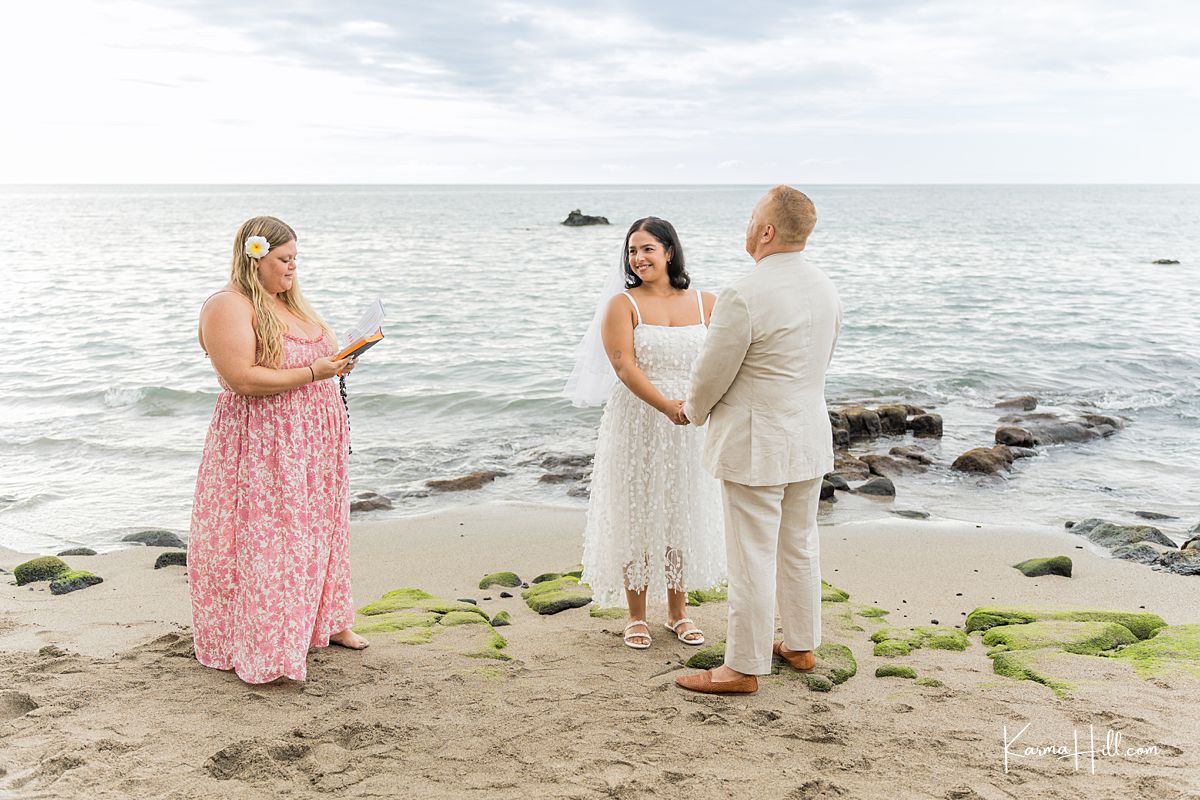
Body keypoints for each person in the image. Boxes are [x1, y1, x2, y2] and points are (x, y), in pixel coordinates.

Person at [675, 186, 842, 694]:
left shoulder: (744, 292)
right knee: (799, 545)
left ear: (766, 230)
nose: (747, 225)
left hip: (756, 443)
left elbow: (712, 372)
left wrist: (692, 410)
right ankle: (800, 642)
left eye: (752, 217)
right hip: (808, 435)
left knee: (751, 554)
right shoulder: (825, 286)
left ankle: (742, 668)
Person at [188, 215, 368, 685]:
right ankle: (267, 641)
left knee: (318, 531)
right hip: (265, 444)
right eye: (284, 260)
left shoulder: (288, 302)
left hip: (311, 443)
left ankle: (325, 622)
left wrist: (337, 364)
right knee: (272, 540)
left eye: (296, 260)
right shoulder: (229, 306)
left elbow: (309, 359)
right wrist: (315, 374)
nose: (293, 268)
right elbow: (241, 379)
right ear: (255, 257)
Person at [567, 217, 726, 650]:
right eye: (632, 251)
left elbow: (724, 361)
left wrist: (700, 407)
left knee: (681, 508)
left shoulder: (706, 303)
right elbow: (624, 366)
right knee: (636, 511)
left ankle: (678, 612)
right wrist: (666, 406)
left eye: (647, 249)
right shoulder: (623, 305)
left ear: (669, 251)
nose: (638, 258)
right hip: (638, 419)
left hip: (690, 422)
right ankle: (636, 615)